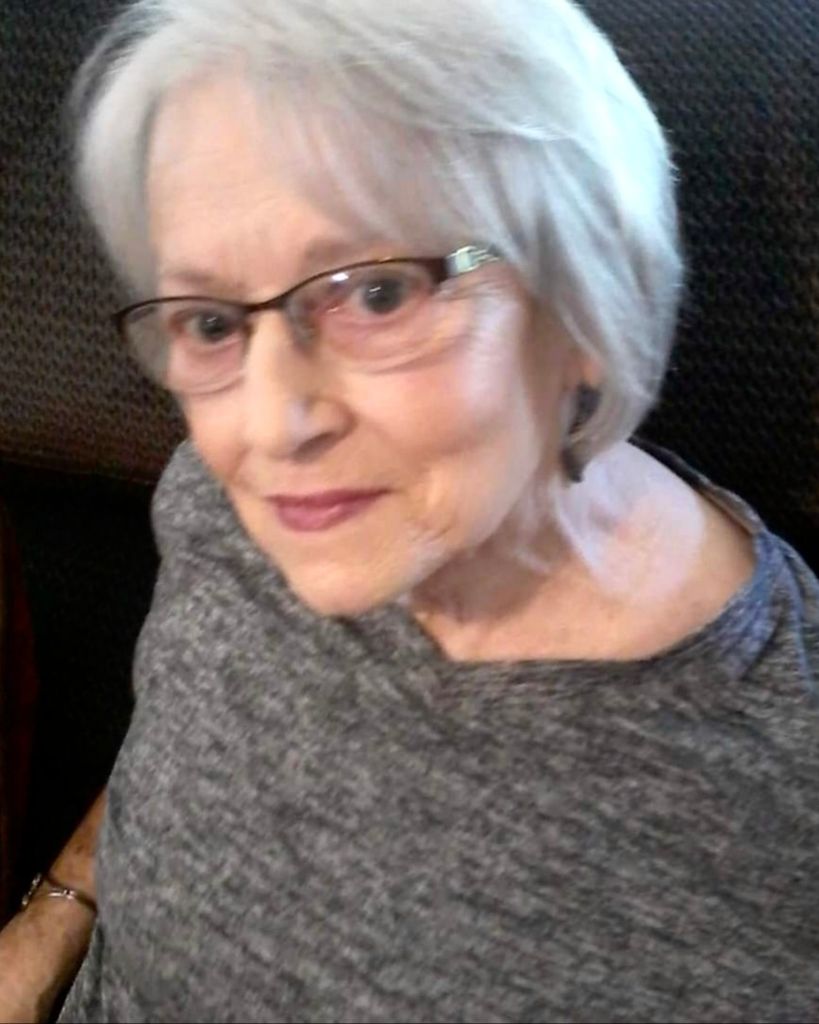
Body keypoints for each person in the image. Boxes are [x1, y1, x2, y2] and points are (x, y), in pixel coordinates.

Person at [2, 0, 818, 1019]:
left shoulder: (781, 802)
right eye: (211, 322)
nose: (267, 426)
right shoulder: (240, 507)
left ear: (583, 300)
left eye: (377, 295)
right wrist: (61, 906)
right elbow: (187, 733)